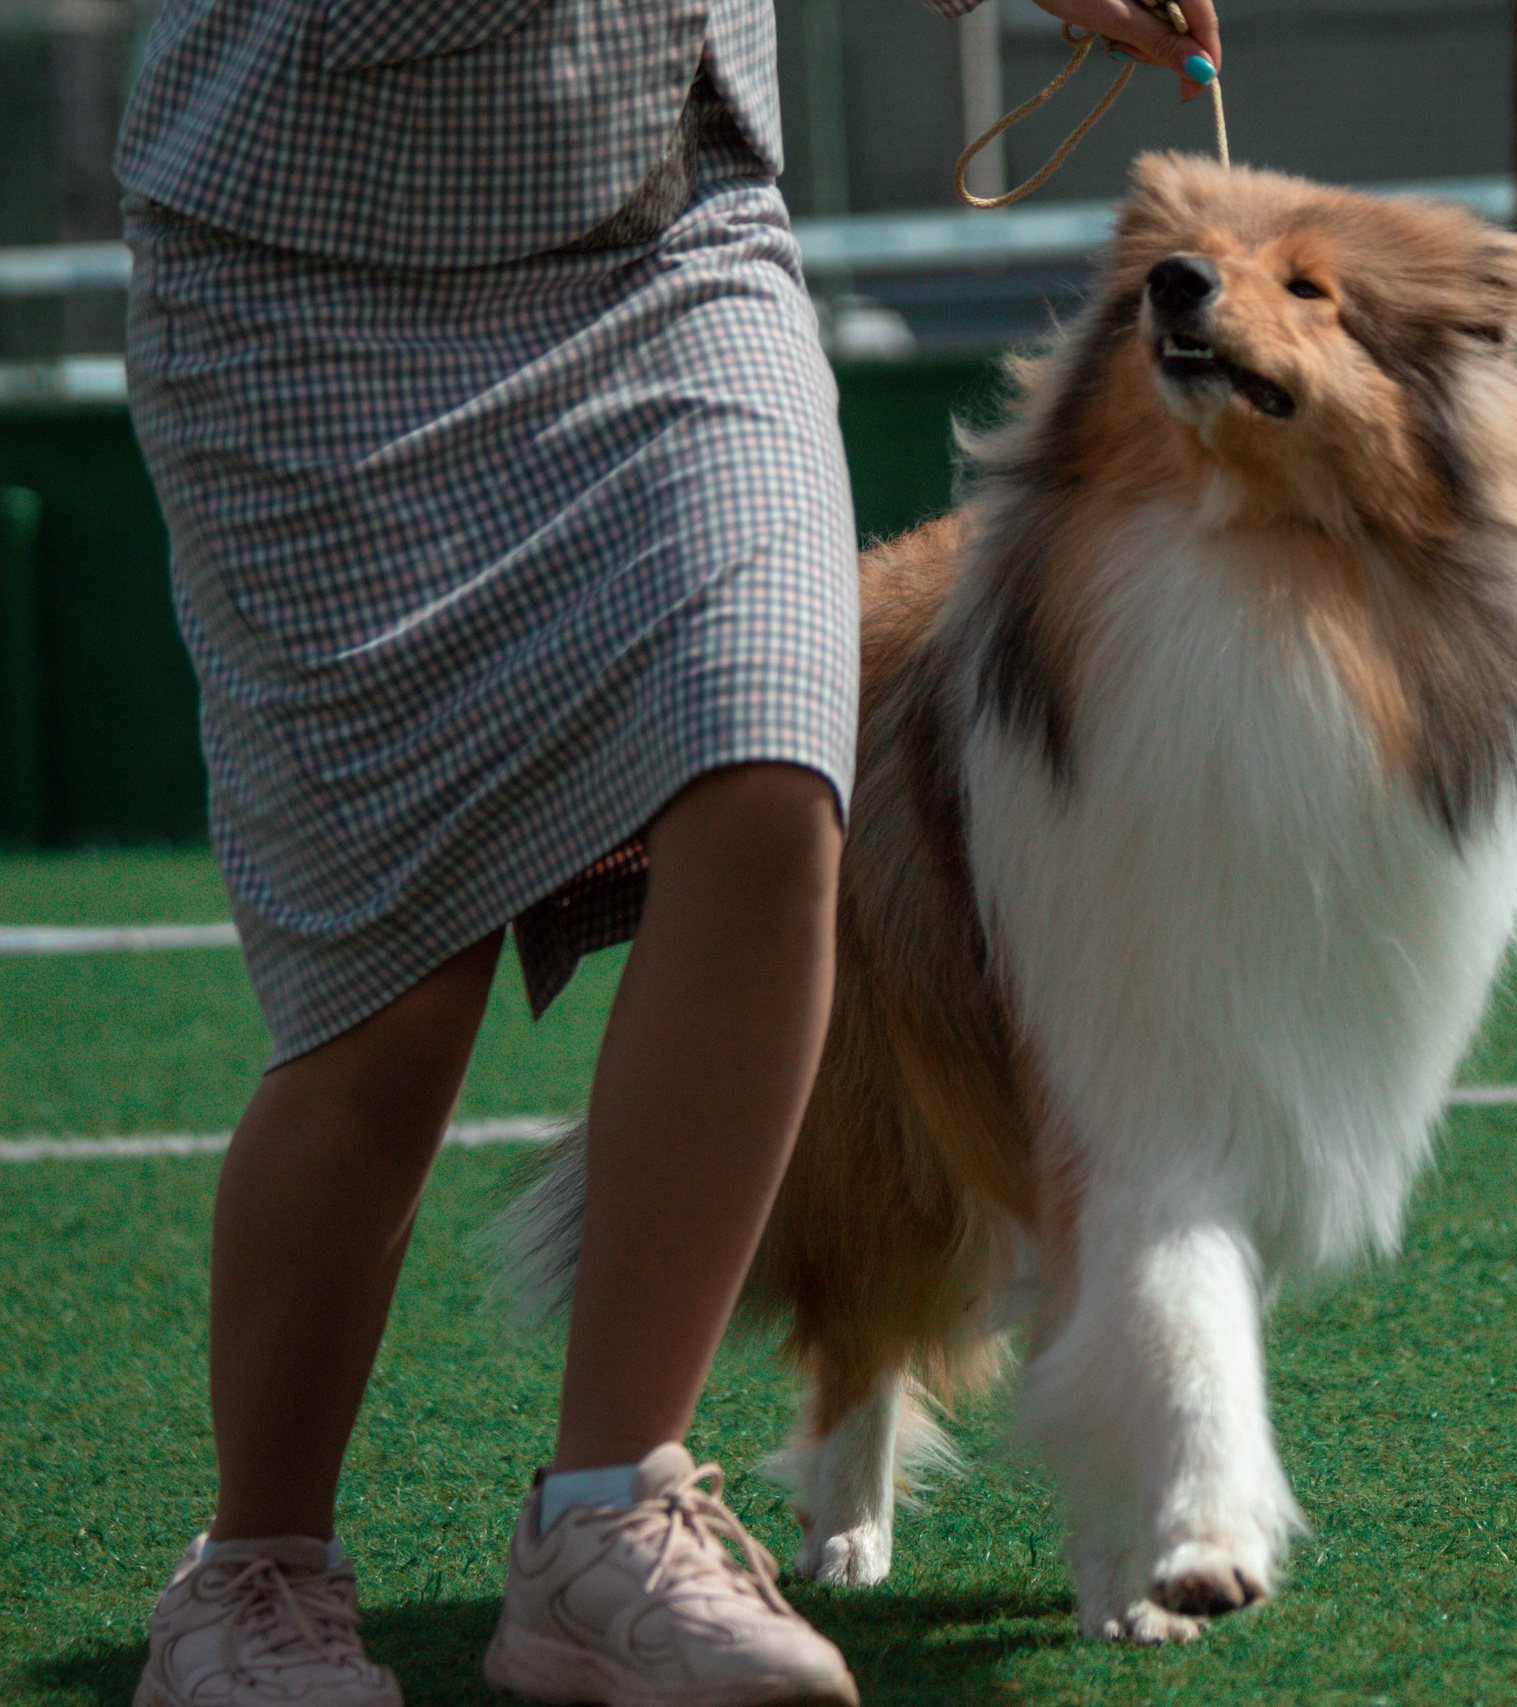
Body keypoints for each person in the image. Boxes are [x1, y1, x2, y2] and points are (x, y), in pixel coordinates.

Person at [113, 0, 1220, 1701]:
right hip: (313, 263)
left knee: (777, 780)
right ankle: (257, 1570)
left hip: (670, 230)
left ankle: (607, 1519)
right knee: (392, 1005)